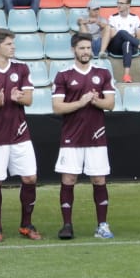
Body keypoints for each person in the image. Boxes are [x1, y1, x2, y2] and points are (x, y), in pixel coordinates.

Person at [0, 29, 41, 242]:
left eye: (13, 43)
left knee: (30, 178)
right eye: (9, 44)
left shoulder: (21, 68)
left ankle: (26, 224)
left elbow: (29, 99)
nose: (13, 47)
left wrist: (18, 97)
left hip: (20, 134)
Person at [51, 32, 117, 240]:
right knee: (68, 178)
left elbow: (111, 104)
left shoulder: (103, 73)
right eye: (82, 48)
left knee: (98, 179)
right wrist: (81, 102)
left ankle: (102, 225)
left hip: (96, 136)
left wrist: (96, 101)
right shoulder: (63, 74)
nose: (86, 52)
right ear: (73, 50)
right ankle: (67, 225)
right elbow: (57, 107)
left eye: (89, 48)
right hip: (71, 136)